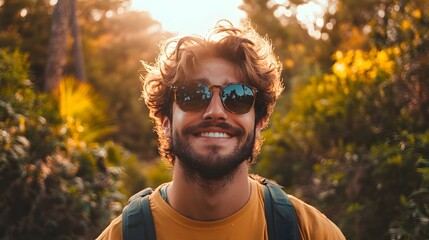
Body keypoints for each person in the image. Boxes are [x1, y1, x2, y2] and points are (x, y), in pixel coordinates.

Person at [96, 20, 345, 240]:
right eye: (193, 95)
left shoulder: (311, 233)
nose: (215, 111)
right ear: (165, 120)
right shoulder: (120, 236)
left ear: (259, 122)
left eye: (237, 97)